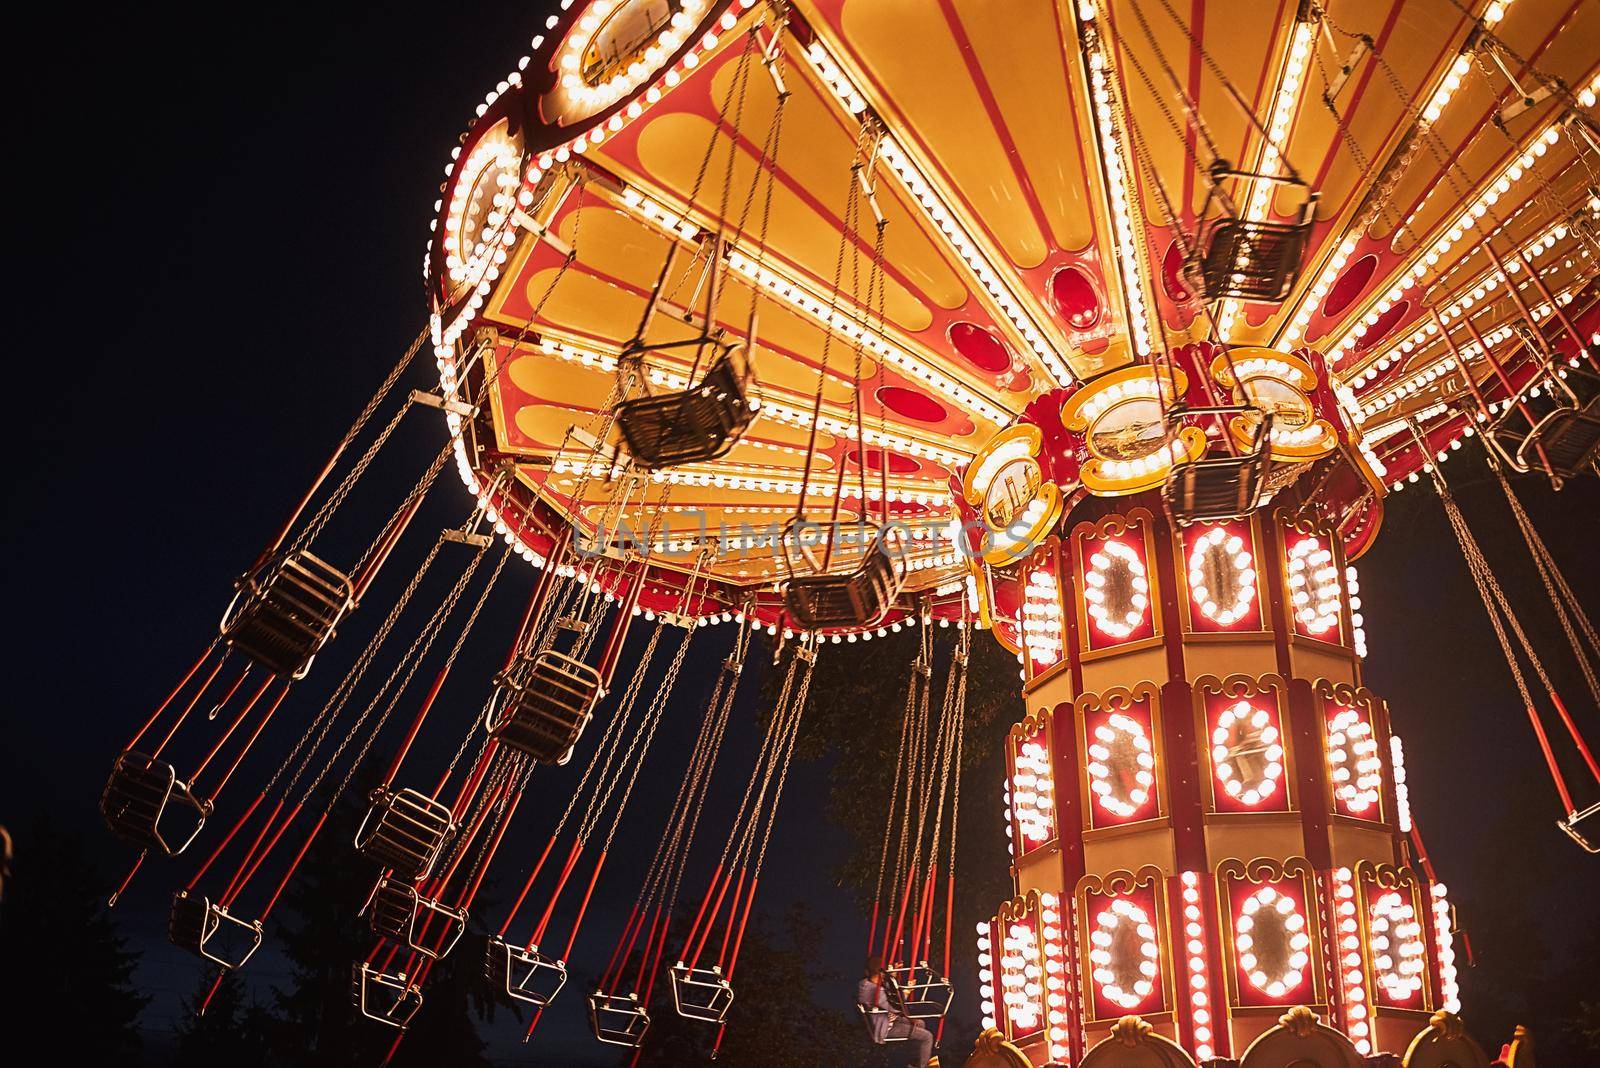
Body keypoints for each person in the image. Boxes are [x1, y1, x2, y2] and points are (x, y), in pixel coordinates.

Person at [857, 955, 936, 1068]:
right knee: (927, 1037)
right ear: (880, 973)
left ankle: (915, 1062)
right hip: (886, 1028)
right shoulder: (875, 992)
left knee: (920, 1023)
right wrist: (907, 992)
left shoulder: (866, 984)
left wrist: (892, 975)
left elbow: (886, 991)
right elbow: (896, 1007)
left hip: (887, 1018)